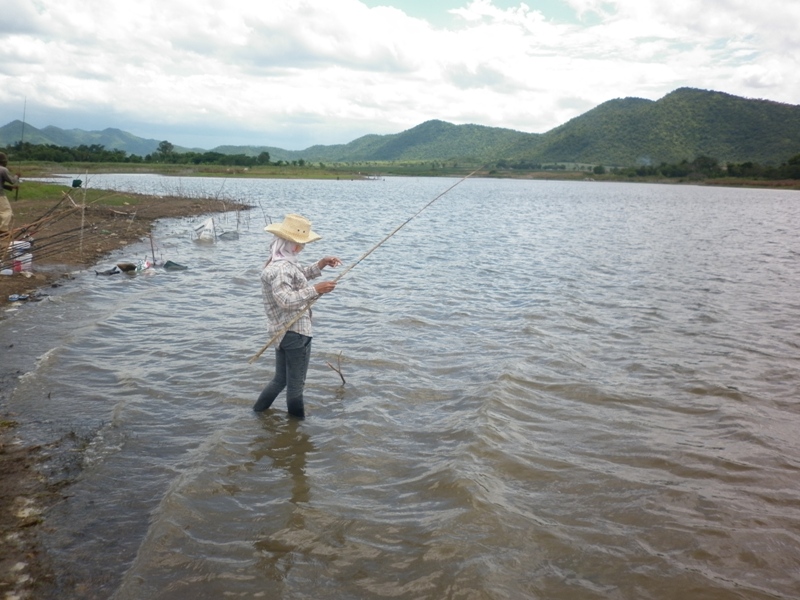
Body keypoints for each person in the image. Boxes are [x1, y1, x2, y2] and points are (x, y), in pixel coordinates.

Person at [254, 213, 341, 418]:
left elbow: (299, 276)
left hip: (281, 333)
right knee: (296, 386)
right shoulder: (283, 268)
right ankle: (296, 431)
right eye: (301, 244)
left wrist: (321, 264)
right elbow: (285, 300)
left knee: (280, 379)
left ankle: (257, 413)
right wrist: (316, 290)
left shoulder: (276, 263)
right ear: (293, 245)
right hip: (295, 332)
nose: (302, 248)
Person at [0, 152, 19, 236]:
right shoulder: (3, 170)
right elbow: (12, 181)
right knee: (7, 211)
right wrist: (17, 176)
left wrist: (10, 188)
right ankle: (3, 230)